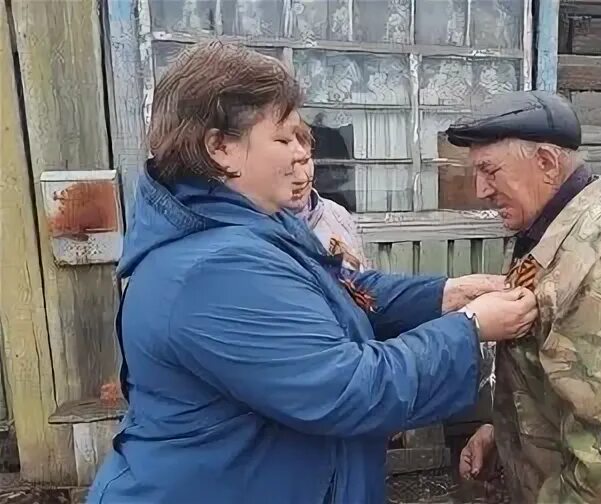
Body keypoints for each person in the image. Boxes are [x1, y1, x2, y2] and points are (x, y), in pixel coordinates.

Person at [87, 41, 537, 503]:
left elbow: (337, 290)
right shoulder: (216, 270)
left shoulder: (259, 226)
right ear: (220, 148)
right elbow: (348, 389)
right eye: (283, 139)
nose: (300, 155)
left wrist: (445, 294)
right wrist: (471, 328)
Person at [449, 90, 601, 503]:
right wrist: (504, 432)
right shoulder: (552, 232)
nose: (480, 189)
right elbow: (566, 381)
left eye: (490, 171)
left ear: (546, 163)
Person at [287, 140, 368, 271]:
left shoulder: (337, 215)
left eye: (304, 161)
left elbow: (364, 280)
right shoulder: (256, 226)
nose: (300, 178)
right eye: (289, 164)